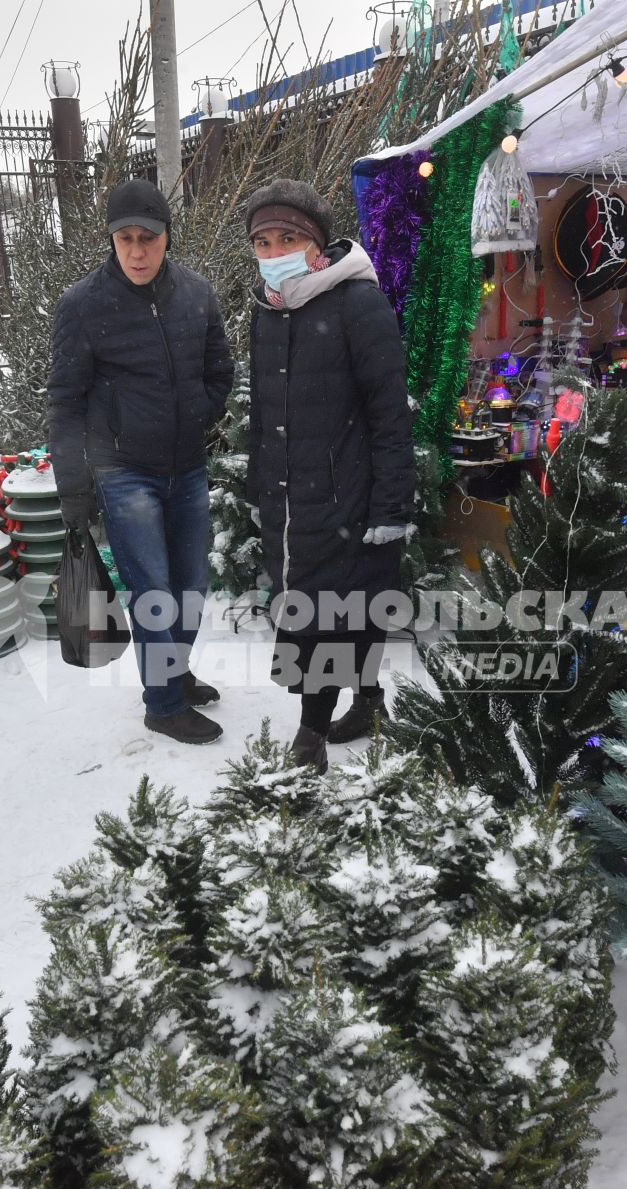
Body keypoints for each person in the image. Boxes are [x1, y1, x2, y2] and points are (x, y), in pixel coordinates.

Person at [47, 179, 234, 744]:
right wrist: (75, 491)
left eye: (147, 238)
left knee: (192, 587)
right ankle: (164, 703)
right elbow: (65, 403)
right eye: (124, 238)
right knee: (153, 589)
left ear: (166, 236)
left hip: (187, 466)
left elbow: (219, 371)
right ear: (111, 239)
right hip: (124, 471)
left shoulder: (197, 295)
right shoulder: (83, 306)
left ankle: (172, 673)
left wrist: (197, 413)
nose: (136, 251)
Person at [242, 179, 414, 773]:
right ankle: (370, 703)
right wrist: (258, 488)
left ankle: (309, 735)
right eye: (262, 241)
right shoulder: (268, 312)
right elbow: (263, 415)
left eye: (287, 238)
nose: (273, 251)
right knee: (343, 612)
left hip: (347, 498)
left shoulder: (357, 304)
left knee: (326, 618)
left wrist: (392, 507)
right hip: (292, 498)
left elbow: (391, 414)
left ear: (316, 244)